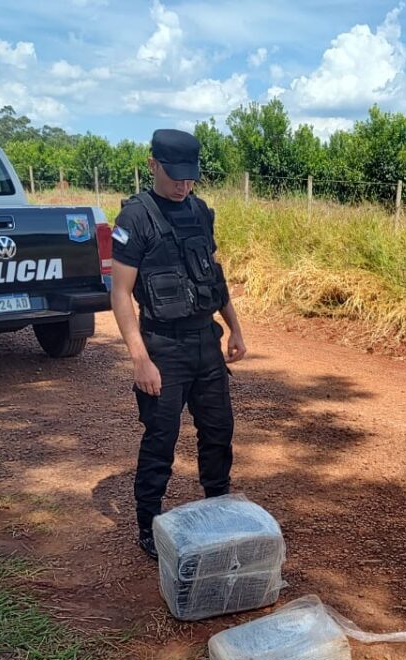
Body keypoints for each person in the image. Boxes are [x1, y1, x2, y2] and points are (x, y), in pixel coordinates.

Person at [110, 129, 247, 559]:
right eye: (174, 176)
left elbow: (212, 276)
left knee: (219, 432)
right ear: (152, 164)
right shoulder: (135, 218)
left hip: (205, 341)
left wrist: (235, 328)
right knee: (161, 439)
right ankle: (148, 524)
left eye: (190, 177)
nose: (182, 185)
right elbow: (120, 294)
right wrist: (140, 360)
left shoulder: (202, 212)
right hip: (163, 347)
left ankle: (218, 508)